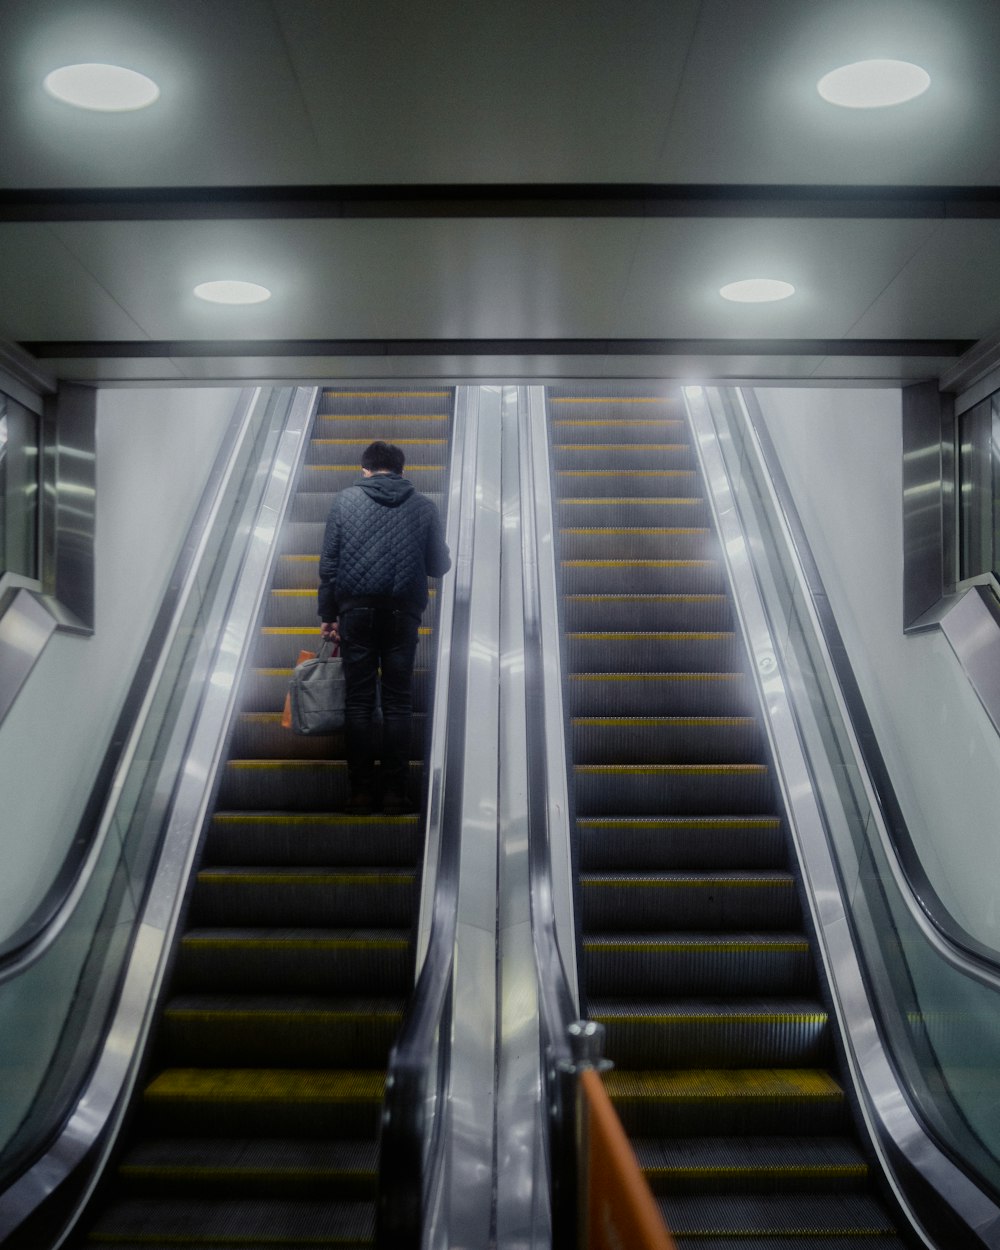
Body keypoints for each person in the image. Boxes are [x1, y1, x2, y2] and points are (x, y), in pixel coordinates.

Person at [318, 440, 451, 814]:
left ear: (365, 470)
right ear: (402, 471)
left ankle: (359, 792)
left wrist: (328, 615)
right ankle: (395, 793)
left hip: (355, 612)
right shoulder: (424, 506)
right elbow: (438, 566)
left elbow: (329, 564)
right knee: (398, 703)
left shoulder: (345, 501)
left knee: (358, 702)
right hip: (401, 614)